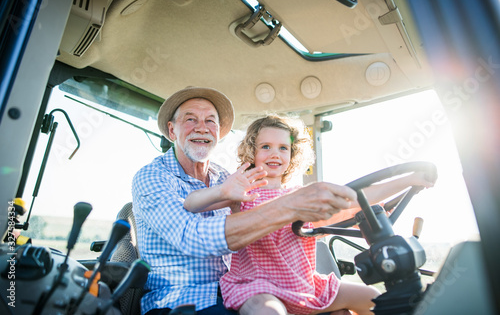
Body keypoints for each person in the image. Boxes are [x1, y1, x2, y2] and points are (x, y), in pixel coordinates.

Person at [132, 87, 358, 315]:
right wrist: (288, 207)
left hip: (236, 292)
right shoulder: (152, 177)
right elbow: (191, 238)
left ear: (218, 132)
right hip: (180, 300)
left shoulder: (228, 177)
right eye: (191, 119)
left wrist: (349, 214)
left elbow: (267, 228)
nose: (202, 127)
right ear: (172, 130)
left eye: (211, 121)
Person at [183, 115, 434, 315]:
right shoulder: (242, 193)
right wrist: (224, 190)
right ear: (252, 152)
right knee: (270, 312)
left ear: (292, 155)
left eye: (283, 148)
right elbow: (192, 204)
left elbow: (357, 198)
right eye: (266, 146)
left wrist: (410, 179)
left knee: (379, 301)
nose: (274, 154)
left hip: (306, 287)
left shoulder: (305, 196)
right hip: (258, 286)